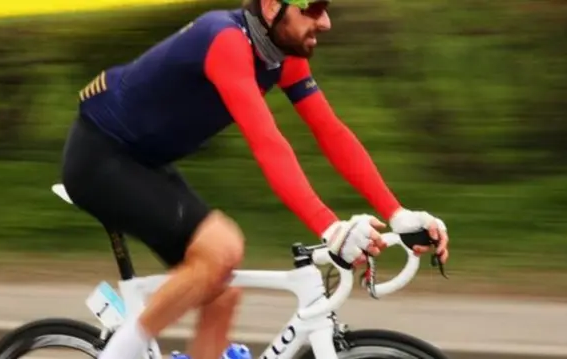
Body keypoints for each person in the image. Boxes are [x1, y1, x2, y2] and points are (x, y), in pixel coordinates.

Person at [60, 0, 450, 359]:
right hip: (100, 155)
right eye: (313, 8)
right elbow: (267, 142)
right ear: (270, 6)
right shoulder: (225, 41)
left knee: (222, 293)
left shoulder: (283, 57)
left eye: (326, 8)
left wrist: (397, 213)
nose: (325, 22)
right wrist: (329, 227)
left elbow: (332, 133)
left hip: (144, 161)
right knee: (223, 249)